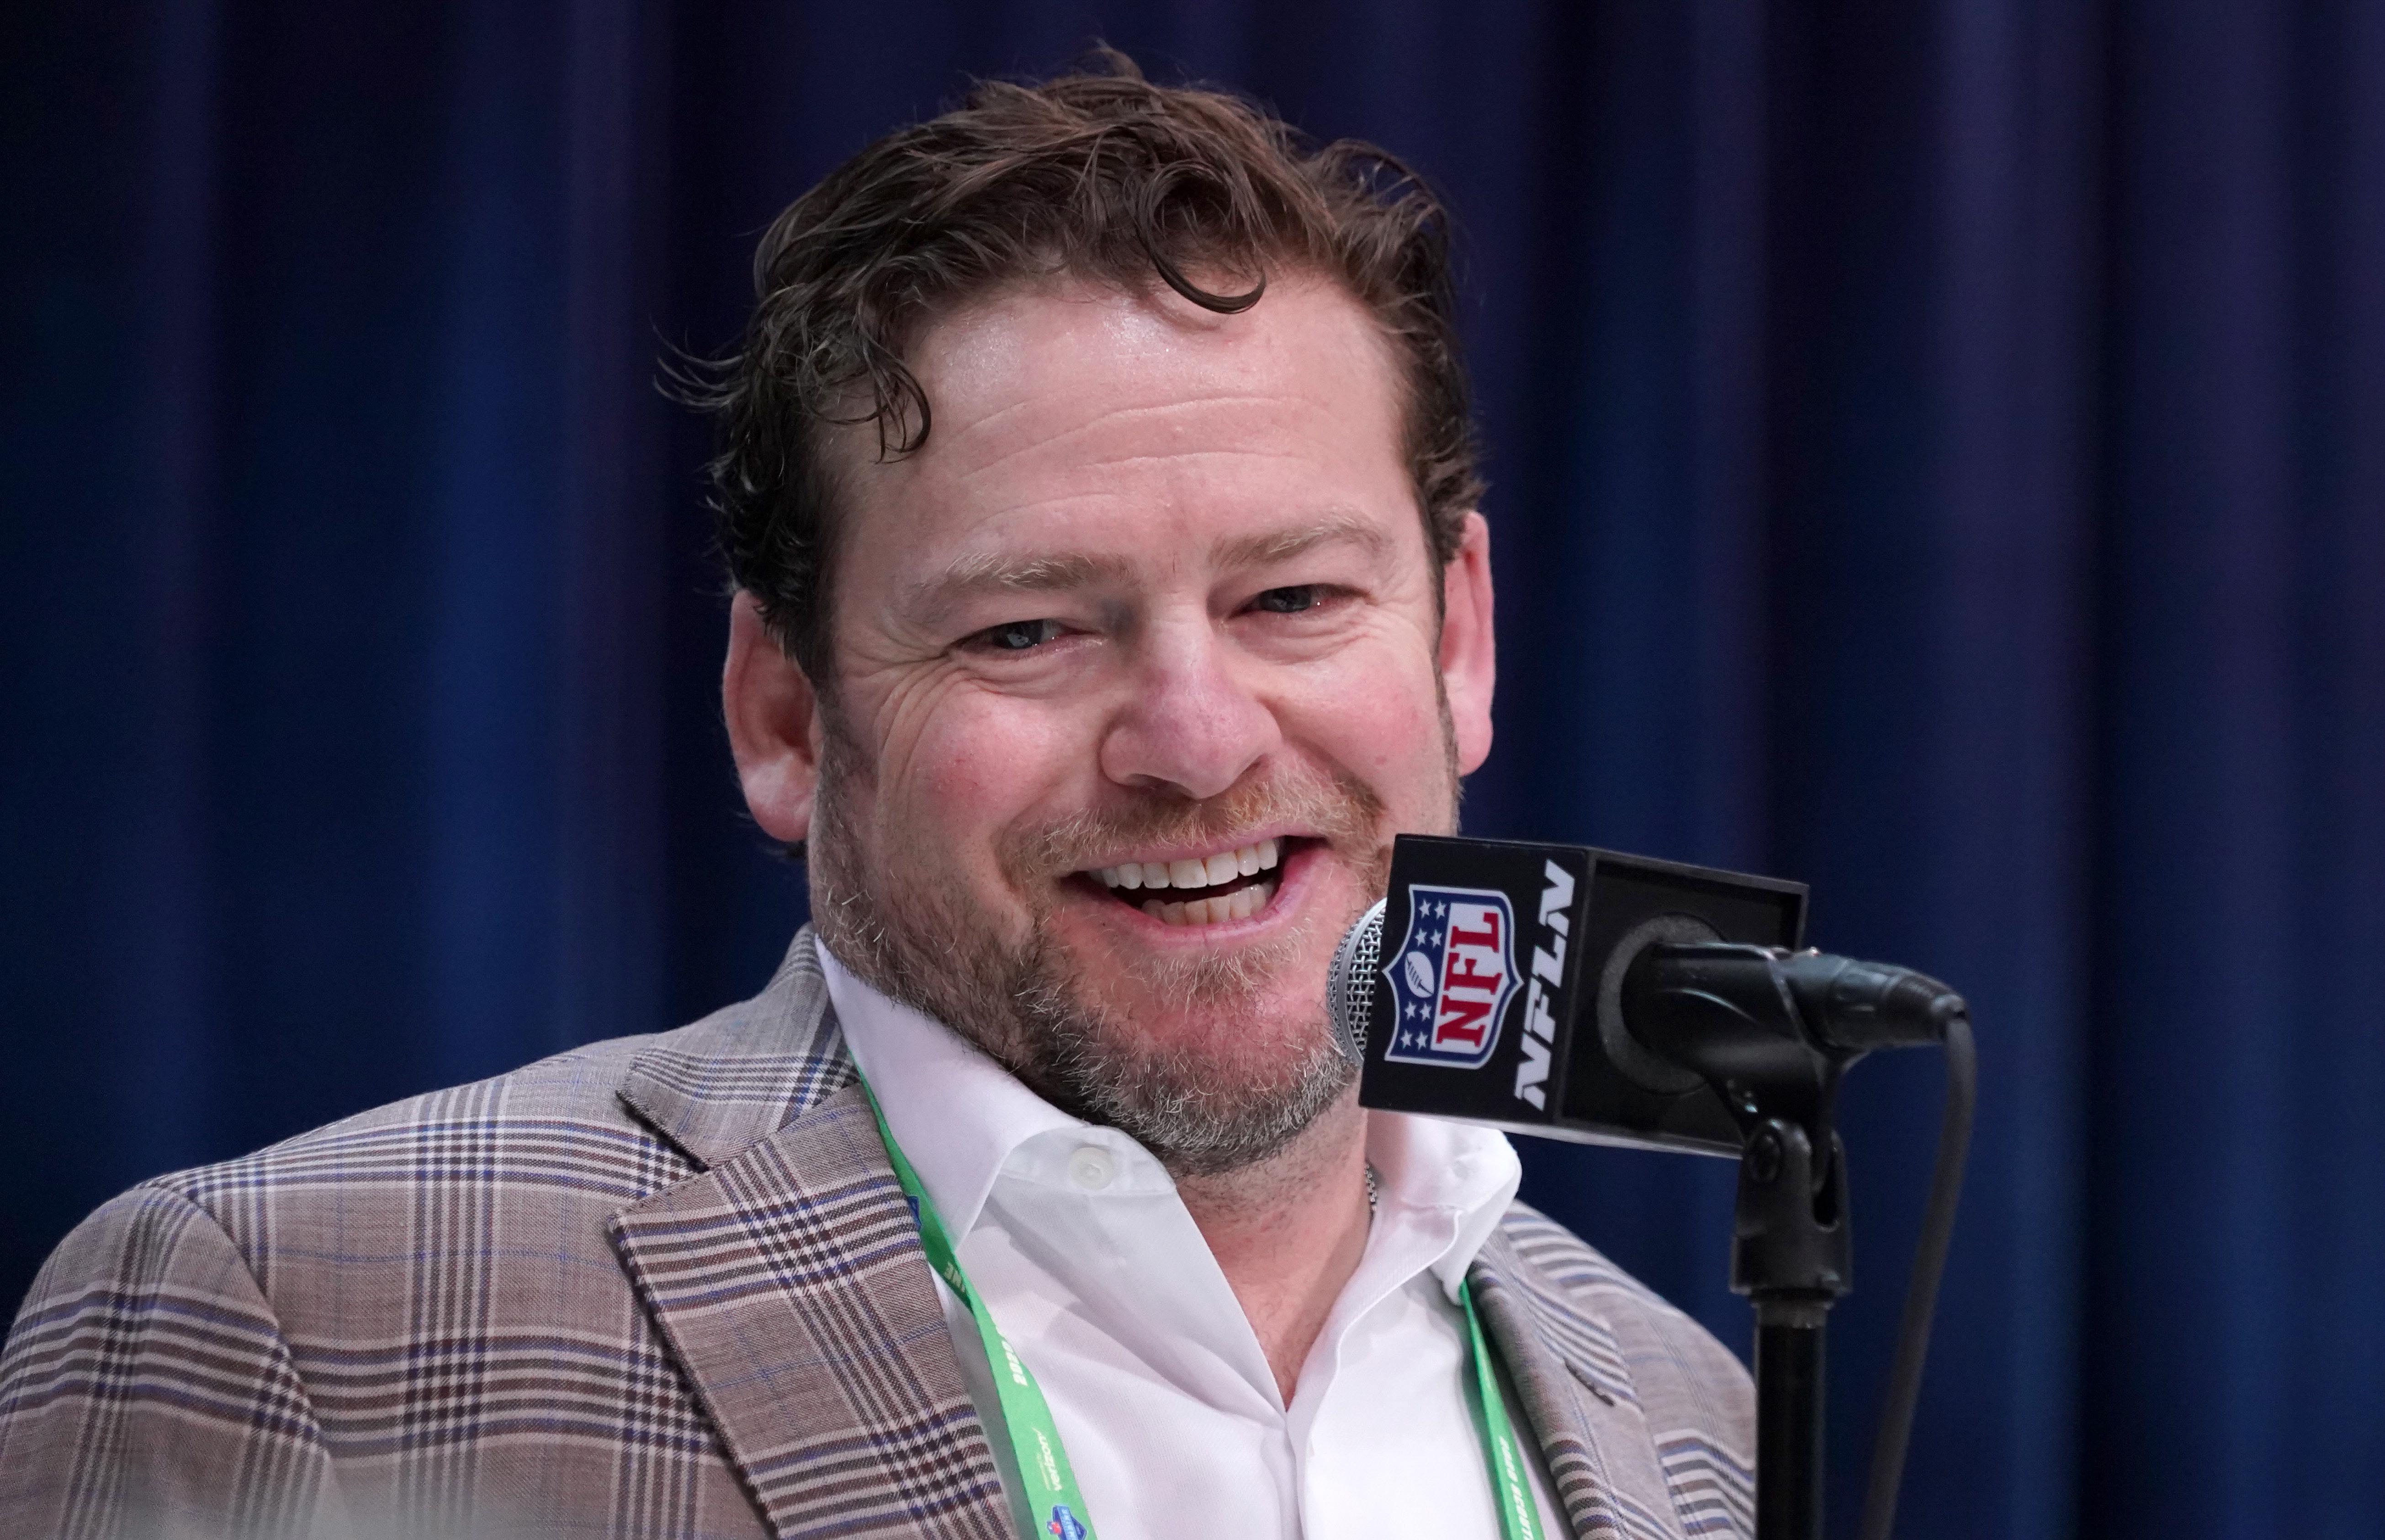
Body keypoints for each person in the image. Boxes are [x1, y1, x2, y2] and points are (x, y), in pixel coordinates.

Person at [0, 54, 1752, 1540]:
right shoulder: (302, 1320)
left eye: (1291, 599)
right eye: (1028, 627)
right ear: (783, 712)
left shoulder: (1703, 1434)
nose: (1198, 740)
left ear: (1456, 635)